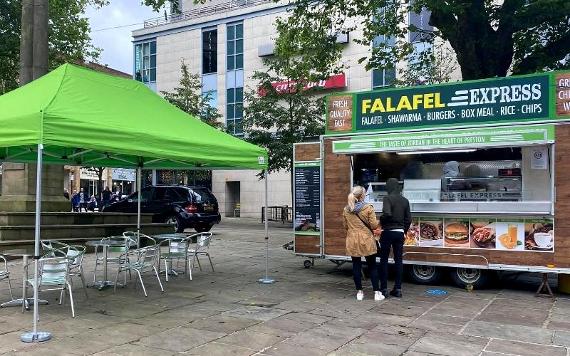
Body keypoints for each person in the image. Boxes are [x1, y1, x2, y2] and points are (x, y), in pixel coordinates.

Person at [342, 185, 384, 301]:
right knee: (372, 266)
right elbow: (374, 225)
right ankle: (376, 293)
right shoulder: (368, 208)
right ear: (362, 195)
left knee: (356, 266)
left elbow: (345, 226)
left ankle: (359, 293)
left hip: (352, 239)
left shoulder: (346, 209)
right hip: (367, 240)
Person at [379, 178, 411, 298]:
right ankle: (398, 289)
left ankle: (384, 289)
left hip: (388, 232)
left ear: (389, 187)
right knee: (399, 260)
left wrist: (381, 221)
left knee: (384, 261)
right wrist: (404, 231)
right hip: (399, 233)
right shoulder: (405, 200)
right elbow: (409, 219)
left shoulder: (387, 198)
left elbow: (387, 213)